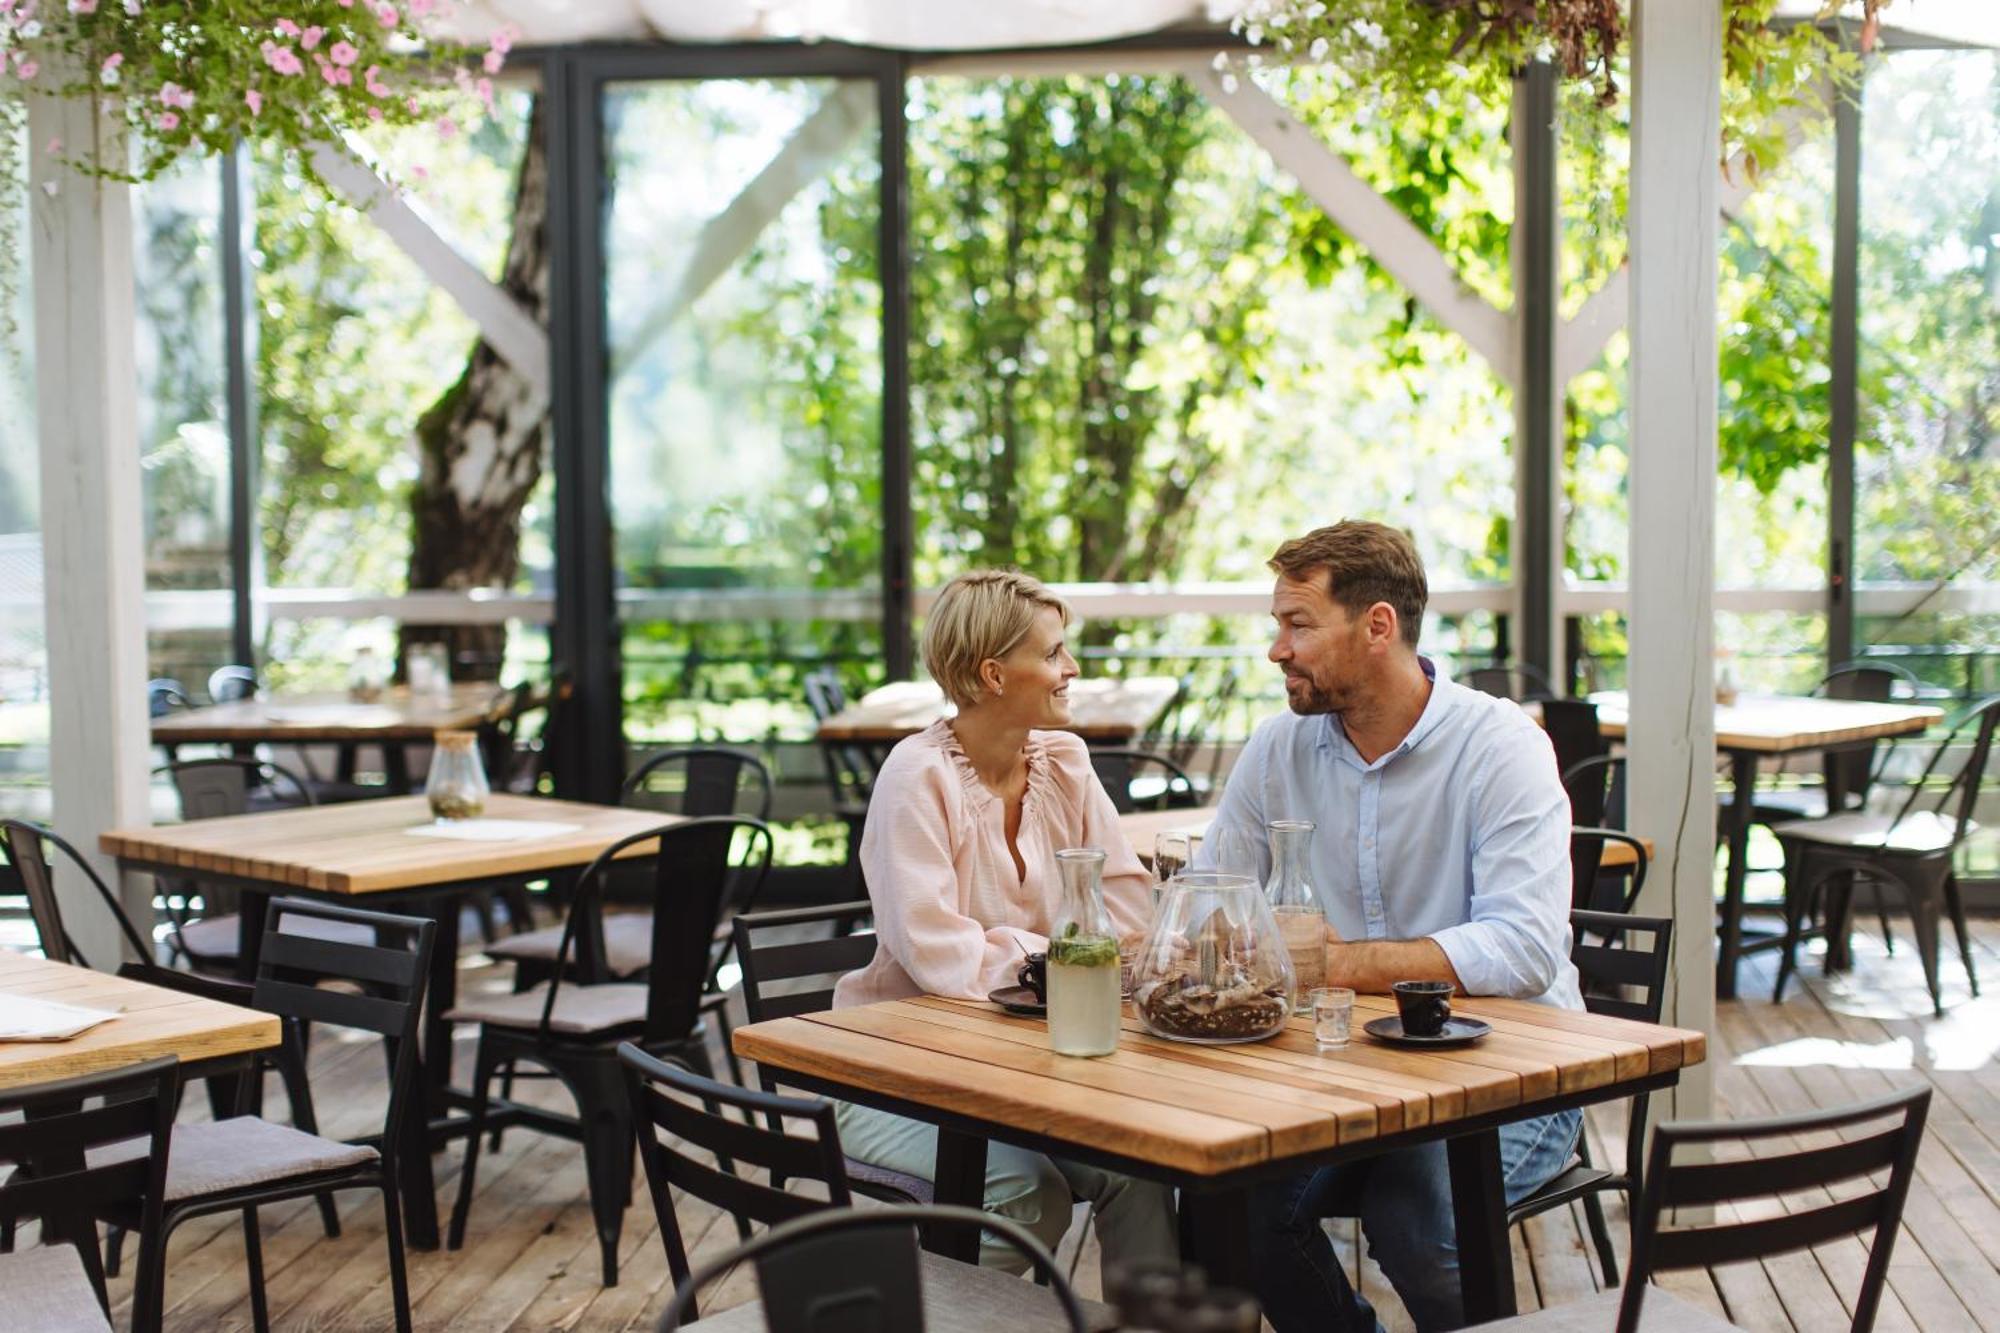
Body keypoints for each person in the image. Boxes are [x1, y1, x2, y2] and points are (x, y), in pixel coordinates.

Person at [1199, 520, 1583, 1333]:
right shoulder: (1276, 750)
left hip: (1513, 1070)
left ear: (1378, 626)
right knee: (1221, 1203)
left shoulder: (1500, 745)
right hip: (1340, 1071)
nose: (1277, 648)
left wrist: (1328, 963)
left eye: (1298, 624)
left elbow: (1522, 948)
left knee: (1420, 1218)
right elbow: (1209, 902)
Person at [831, 568, 1179, 1271]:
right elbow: (939, 955)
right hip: (892, 1071)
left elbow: (1126, 910)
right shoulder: (915, 777)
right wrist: (1067, 957)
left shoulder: (1067, 762)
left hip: (1021, 1065)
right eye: (1053, 653)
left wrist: (1072, 959)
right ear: (993, 673)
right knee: (1029, 1192)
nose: (1071, 668)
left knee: (1141, 1165)